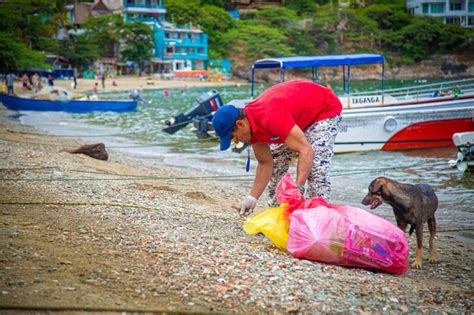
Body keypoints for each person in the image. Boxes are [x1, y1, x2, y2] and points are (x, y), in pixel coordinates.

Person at [212, 80, 342, 216]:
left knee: (316, 169)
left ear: (240, 124)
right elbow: (265, 163)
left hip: (324, 109)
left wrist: (299, 188)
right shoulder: (251, 126)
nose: (236, 141)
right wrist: (252, 198)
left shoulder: (270, 117)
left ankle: (319, 217)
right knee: (276, 161)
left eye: (233, 137)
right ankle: (277, 214)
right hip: (295, 116)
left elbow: (306, 150)